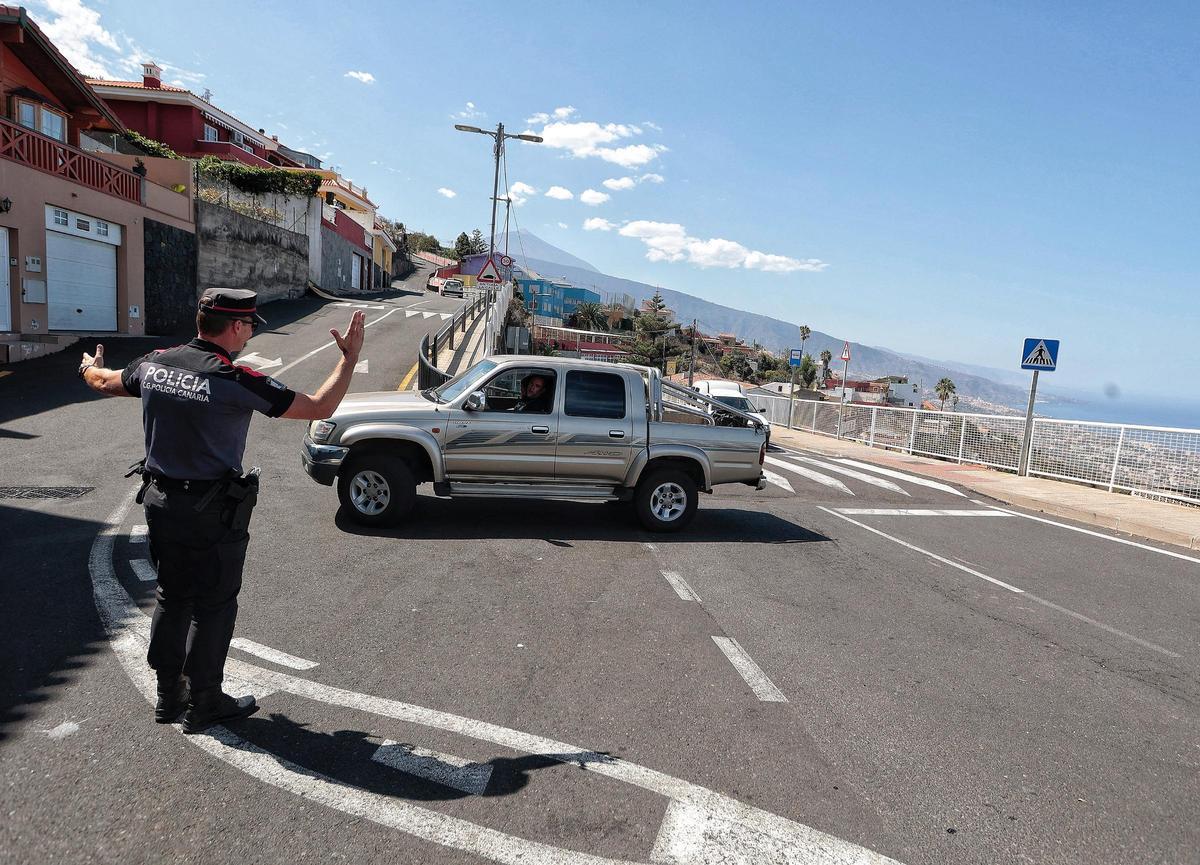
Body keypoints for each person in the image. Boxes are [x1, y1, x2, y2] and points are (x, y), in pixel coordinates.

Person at [78, 288, 365, 733]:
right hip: (211, 511)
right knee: (213, 605)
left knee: (171, 597)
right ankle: (205, 701)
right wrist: (348, 359)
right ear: (234, 327)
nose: (250, 334)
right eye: (249, 325)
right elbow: (321, 406)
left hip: (160, 502)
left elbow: (101, 382)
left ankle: (167, 695)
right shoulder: (234, 379)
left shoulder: (152, 364)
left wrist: (89, 366)